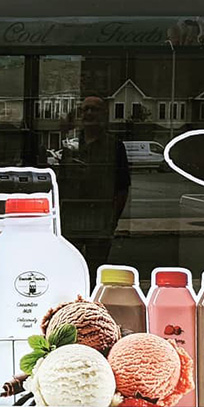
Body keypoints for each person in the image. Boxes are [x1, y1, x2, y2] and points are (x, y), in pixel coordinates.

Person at [55, 95, 131, 279]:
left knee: (95, 272)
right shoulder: (69, 145)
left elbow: (122, 186)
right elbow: (59, 182)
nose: (89, 113)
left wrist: (112, 221)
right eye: (85, 109)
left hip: (100, 220)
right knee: (69, 270)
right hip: (70, 219)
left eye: (94, 109)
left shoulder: (114, 147)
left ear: (104, 114)